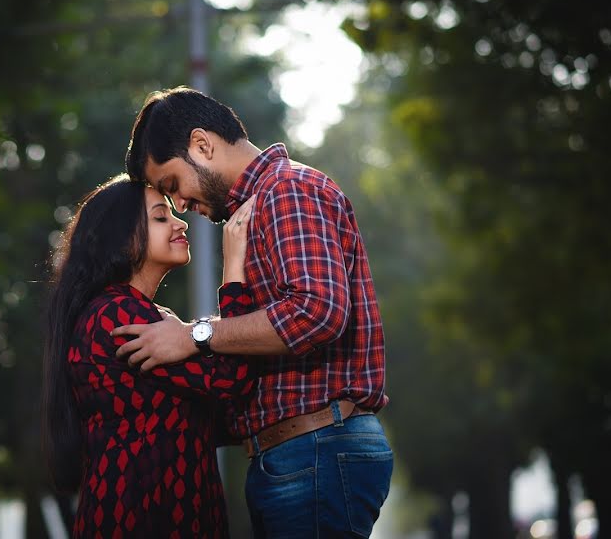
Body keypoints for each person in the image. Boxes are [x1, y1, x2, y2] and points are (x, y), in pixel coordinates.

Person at [113, 87, 393, 539]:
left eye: (171, 185)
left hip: (316, 446)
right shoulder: (258, 205)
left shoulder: (288, 190)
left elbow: (317, 311)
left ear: (202, 145)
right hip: (298, 451)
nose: (179, 204)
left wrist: (194, 335)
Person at [42, 173, 259, 538]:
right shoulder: (116, 316)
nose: (179, 222)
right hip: (141, 520)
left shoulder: (143, 316)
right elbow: (232, 380)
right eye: (161, 217)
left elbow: (214, 415)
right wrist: (233, 272)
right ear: (123, 240)